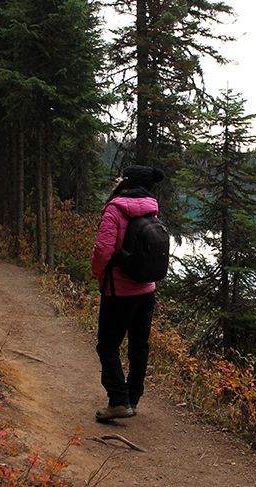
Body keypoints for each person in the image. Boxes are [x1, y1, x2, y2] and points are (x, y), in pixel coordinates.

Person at [90, 165, 165, 422]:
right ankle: (132, 399)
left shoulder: (115, 209)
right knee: (138, 347)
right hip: (146, 291)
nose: (116, 180)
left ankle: (119, 401)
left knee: (108, 345)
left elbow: (102, 251)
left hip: (118, 291)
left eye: (120, 177)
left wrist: (98, 275)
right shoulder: (152, 209)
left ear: (128, 182)